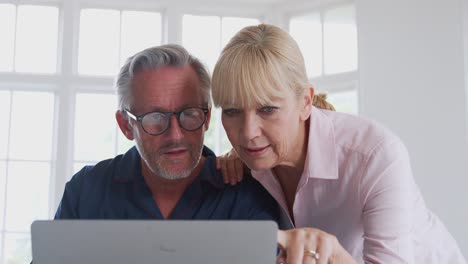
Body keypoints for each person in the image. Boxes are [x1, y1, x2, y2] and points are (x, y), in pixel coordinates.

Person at [212, 24, 467, 264]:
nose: (247, 132)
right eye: (232, 111)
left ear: (305, 102)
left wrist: (332, 254)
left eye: (268, 109)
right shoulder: (252, 158)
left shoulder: (376, 155)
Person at [54, 44, 279, 223]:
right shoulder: (86, 190)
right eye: (154, 118)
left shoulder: (247, 193)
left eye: (189, 114)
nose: (175, 136)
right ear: (125, 125)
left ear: (207, 118)